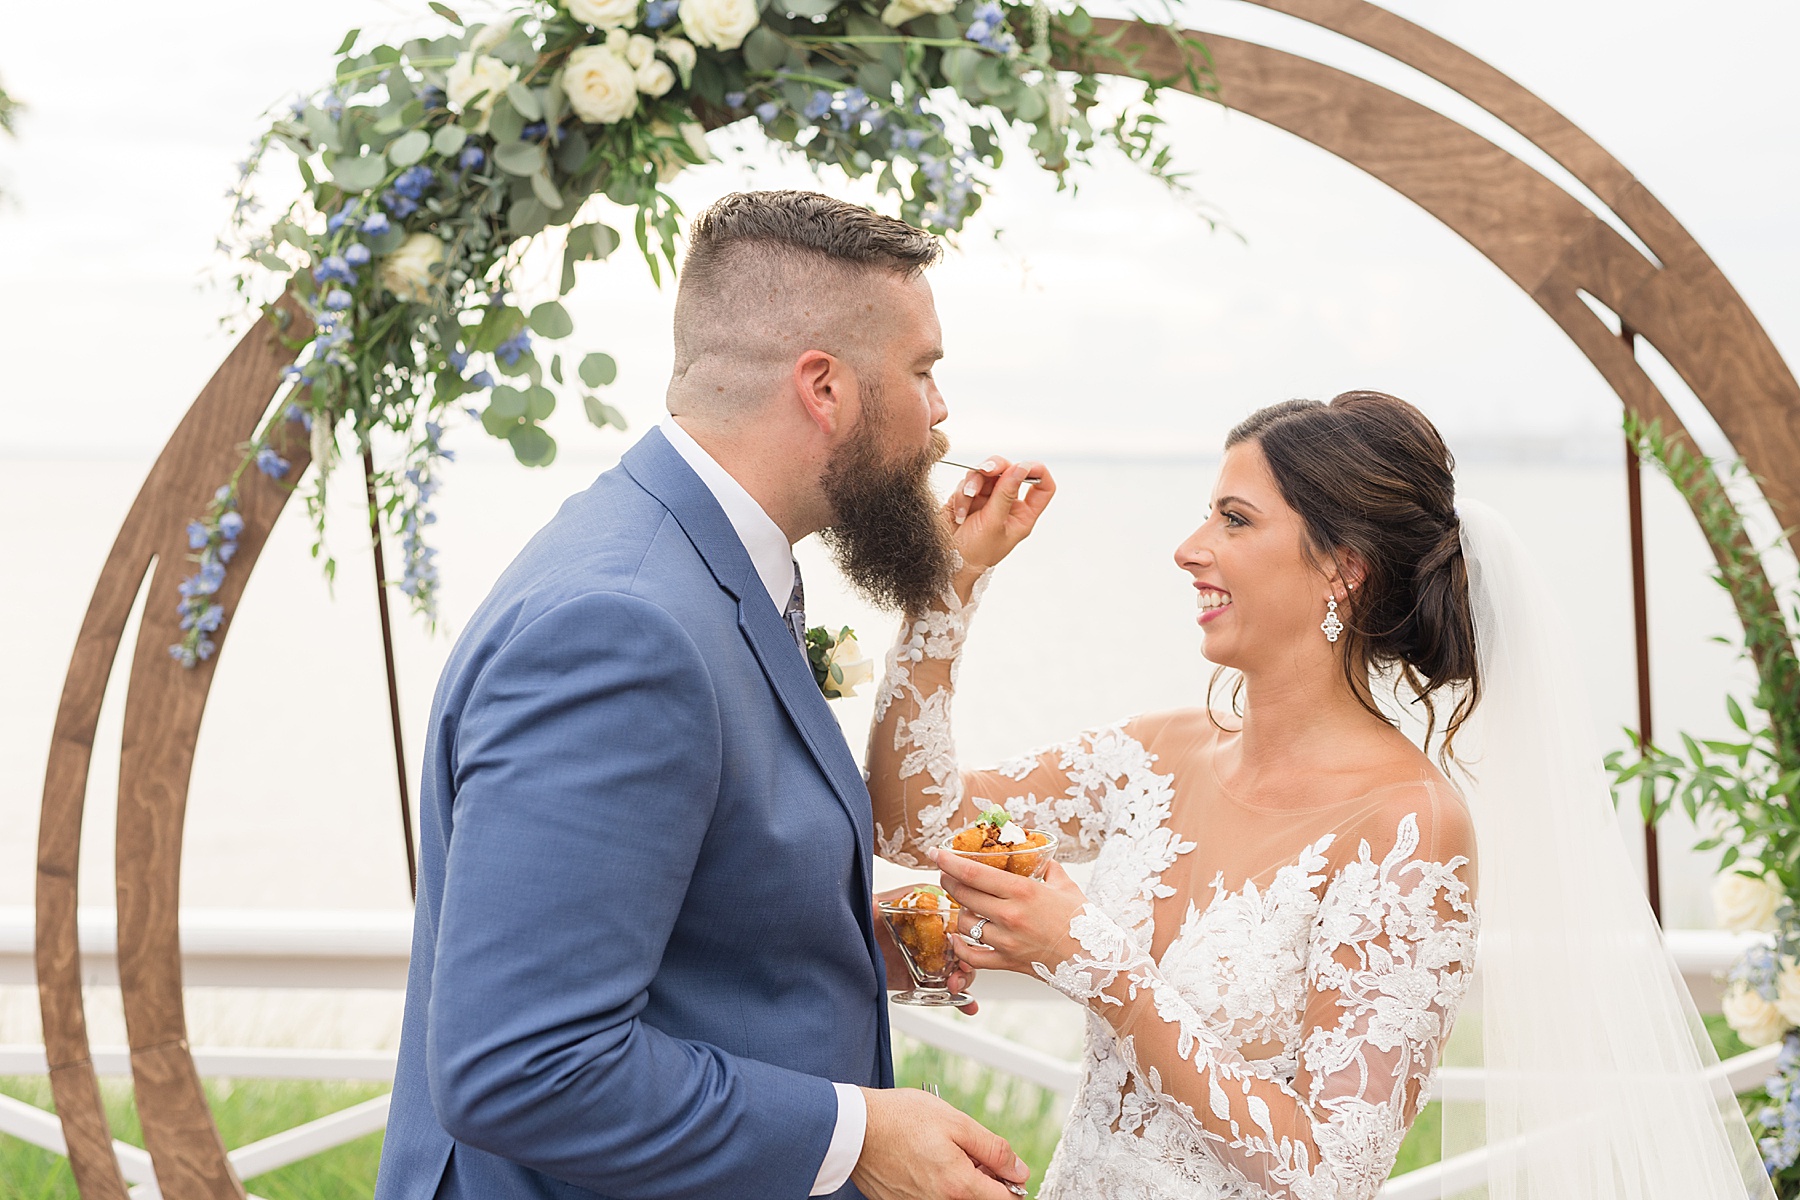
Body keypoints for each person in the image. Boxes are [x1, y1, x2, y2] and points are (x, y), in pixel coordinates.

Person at [866, 390, 1774, 1198]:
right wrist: (951, 584)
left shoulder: (1410, 827)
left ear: (1342, 568)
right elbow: (917, 826)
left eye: (1234, 520)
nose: (1189, 550)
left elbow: (1327, 1172)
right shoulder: (1153, 755)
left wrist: (1092, 959)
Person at [374, 190, 1030, 1200]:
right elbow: (524, 1070)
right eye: (923, 371)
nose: (941, 415)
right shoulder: (622, 625)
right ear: (827, 389)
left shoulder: (712, 565)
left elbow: (688, 906)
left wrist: (889, 945)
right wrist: (856, 1133)